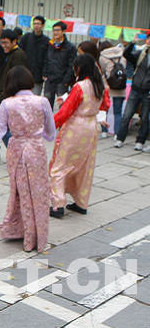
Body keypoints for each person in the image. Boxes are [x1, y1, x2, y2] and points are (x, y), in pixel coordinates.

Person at [0, 66, 55, 252]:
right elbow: (51, 131)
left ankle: (24, 234)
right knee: (39, 193)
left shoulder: (7, 103)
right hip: (37, 150)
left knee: (21, 192)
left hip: (17, 149)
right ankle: (39, 237)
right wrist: (42, 136)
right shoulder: (43, 101)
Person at [49, 53, 110, 218]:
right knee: (85, 166)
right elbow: (105, 105)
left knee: (60, 166)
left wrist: (49, 125)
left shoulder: (80, 86)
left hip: (76, 127)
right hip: (91, 127)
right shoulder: (100, 86)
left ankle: (58, 204)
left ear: (80, 68)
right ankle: (81, 203)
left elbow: (66, 112)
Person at [0, 29, 29, 158]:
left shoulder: (19, 55)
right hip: (1, 94)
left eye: (6, 43)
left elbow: (18, 78)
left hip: (8, 96)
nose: (3, 45)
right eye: (2, 43)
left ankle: (17, 153)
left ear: (14, 41)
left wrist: (10, 95)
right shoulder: (9, 54)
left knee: (0, 126)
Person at [114, 33, 150, 151]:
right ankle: (120, 138)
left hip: (147, 92)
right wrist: (132, 43)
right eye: (148, 38)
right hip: (135, 89)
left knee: (144, 118)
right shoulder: (142, 53)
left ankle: (140, 141)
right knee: (127, 115)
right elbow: (126, 54)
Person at [43, 21, 77, 109]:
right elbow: (46, 60)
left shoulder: (70, 47)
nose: (55, 32)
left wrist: (66, 80)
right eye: (54, 30)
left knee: (62, 106)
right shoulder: (50, 44)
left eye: (58, 30)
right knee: (47, 105)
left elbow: (71, 65)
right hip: (50, 80)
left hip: (62, 81)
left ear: (63, 31)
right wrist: (45, 74)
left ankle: (61, 123)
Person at [99, 41, 127, 140]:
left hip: (107, 86)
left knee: (104, 109)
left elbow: (103, 72)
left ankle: (104, 131)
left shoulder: (102, 57)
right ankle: (117, 133)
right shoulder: (122, 57)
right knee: (118, 112)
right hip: (120, 87)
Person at [20, 15, 50, 95]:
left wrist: (44, 73)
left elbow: (47, 58)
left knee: (35, 98)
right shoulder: (26, 37)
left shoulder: (46, 41)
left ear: (43, 25)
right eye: (35, 23)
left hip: (38, 76)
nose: (36, 26)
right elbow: (20, 53)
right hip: (25, 73)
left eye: (38, 24)